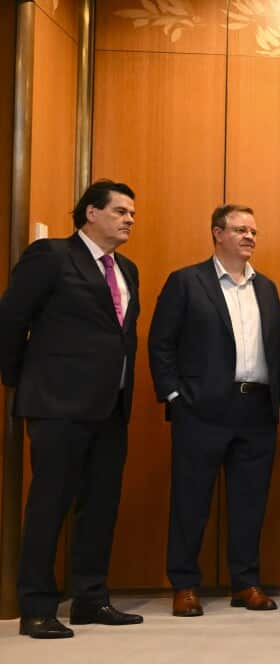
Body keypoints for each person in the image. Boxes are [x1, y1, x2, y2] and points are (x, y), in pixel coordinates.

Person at [0, 180, 143, 639]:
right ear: (90, 214)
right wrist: (19, 381)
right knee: (49, 505)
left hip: (111, 406)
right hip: (57, 404)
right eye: (120, 211)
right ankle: (38, 606)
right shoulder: (51, 256)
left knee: (100, 505)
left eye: (132, 214)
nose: (128, 220)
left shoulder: (128, 269)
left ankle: (90, 598)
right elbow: (11, 320)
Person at [149, 204, 280, 617]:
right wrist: (174, 397)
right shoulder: (186, 282)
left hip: (257, 409)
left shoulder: (265, 287)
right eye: (240, 229)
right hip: (200, 410)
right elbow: (160, 343)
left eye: (254, 230)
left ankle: (246, 582)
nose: (249, 237)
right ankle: (184, 585)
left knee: (250, 501)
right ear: (217, 234)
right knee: (190, 499)